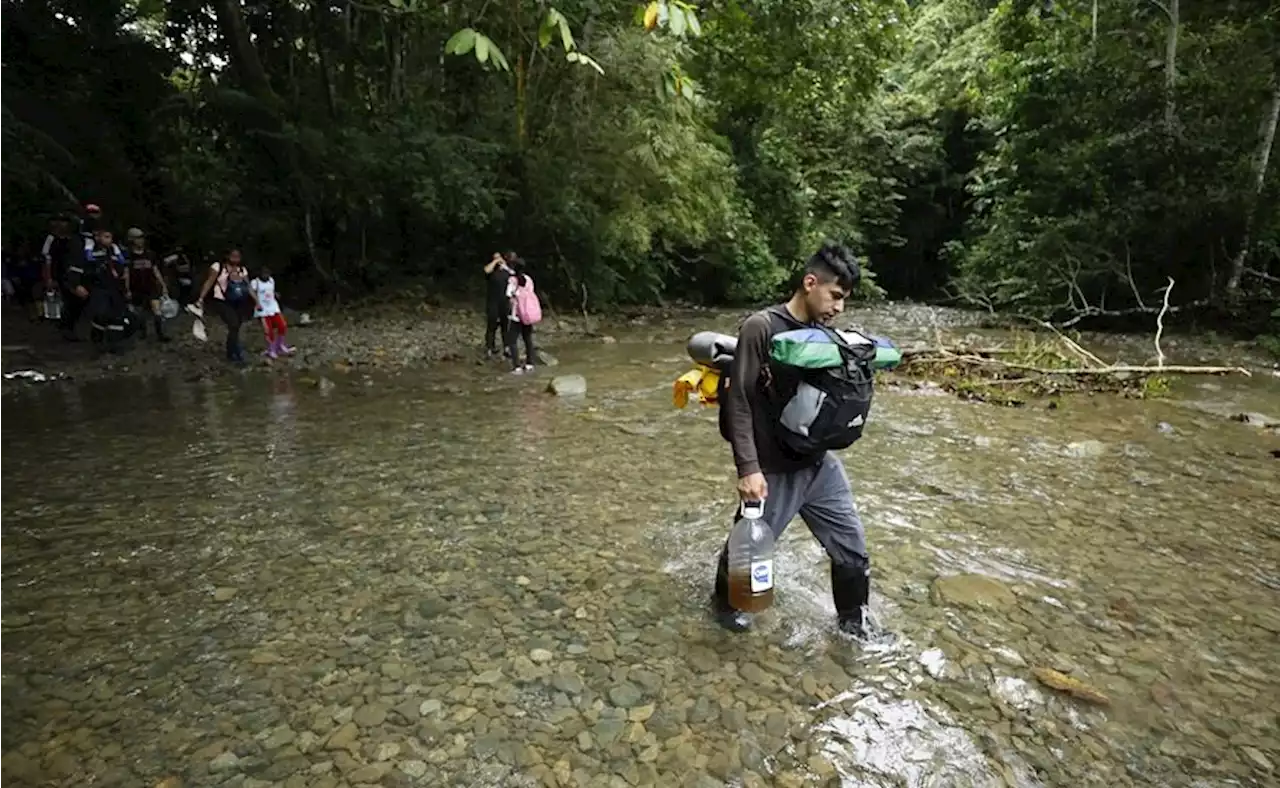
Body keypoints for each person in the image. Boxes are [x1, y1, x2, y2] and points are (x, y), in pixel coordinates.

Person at [711, 243, 878, 638]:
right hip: (772, 470)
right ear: (809, 283)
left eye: (844, 301)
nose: (838, 308)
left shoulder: (825, 336)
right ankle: (723, 612)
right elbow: (739, 401)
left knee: (852, 548)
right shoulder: (761, 327)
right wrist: (748, 469)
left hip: (819, 466)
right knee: (748, 553)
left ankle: (855, 627)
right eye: (834, 296)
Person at [194, 248, 253, 365]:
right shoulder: (218, 267)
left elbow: (248, 287)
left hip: (238, 302)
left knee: (235, 327)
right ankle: (236, 354)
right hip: (221, 301)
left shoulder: (242, 270)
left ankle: (232, 351)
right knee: (233, 324)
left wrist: (257, 302)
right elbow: (209, 282)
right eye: (233, 256)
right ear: (227, 256)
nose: (235, 259)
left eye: (238, 257)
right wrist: (200, 298)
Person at [79, 228, 131, 353]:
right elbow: (86, 266)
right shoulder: (91, 251)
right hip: (100, 288)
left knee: (118, 316)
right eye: (105, 236)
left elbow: (124, 267)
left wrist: (126, 287)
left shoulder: (115, 250)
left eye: (110, 237)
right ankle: (97, 340)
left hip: (116, 288)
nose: (108, 240)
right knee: (102, 313)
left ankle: (115, 344)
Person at [123, 228, 170, 342]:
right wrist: (127, 289)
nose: (141, 241)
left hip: (151, 286)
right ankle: (142, 332)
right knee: (140, 312)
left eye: (142, 238)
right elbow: (126, 273)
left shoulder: (150, 254)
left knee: (157, 310)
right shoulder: (128, 256)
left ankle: (160, 334)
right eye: (138, 238)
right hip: (137, 288)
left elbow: (155, 270)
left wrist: (163, 285)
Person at [250, 265, 295, 359]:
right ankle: (271, 349)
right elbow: (251, 291)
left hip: (273, 307)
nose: (266, 275)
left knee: (282, 325)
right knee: (268, 330)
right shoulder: (255, 282)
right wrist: (257, 302)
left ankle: (280, 345)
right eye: (264, 273)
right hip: (263, 309)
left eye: (267, 273)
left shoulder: (271, 280)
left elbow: (270, 291)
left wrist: (275, 294)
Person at [504, 259, 541, 374]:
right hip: (528, 315)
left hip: (516, 315)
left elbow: (508, 294)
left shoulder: (512, 280)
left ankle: (517, 366)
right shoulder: (529, 279)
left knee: (512, 341)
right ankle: (530, 364)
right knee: (528, 339)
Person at [483, 251, 514, 357]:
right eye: (495, 258)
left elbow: (514, 275)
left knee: (505, 326)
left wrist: (504, 265)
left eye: (499, 257)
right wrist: (495, 261)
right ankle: (490, 347)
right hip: (493, 301)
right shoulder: (492, 271)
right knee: (491, 325)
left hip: (505, 302)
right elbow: (486, 270)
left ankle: (506, 347)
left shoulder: (507, 271)